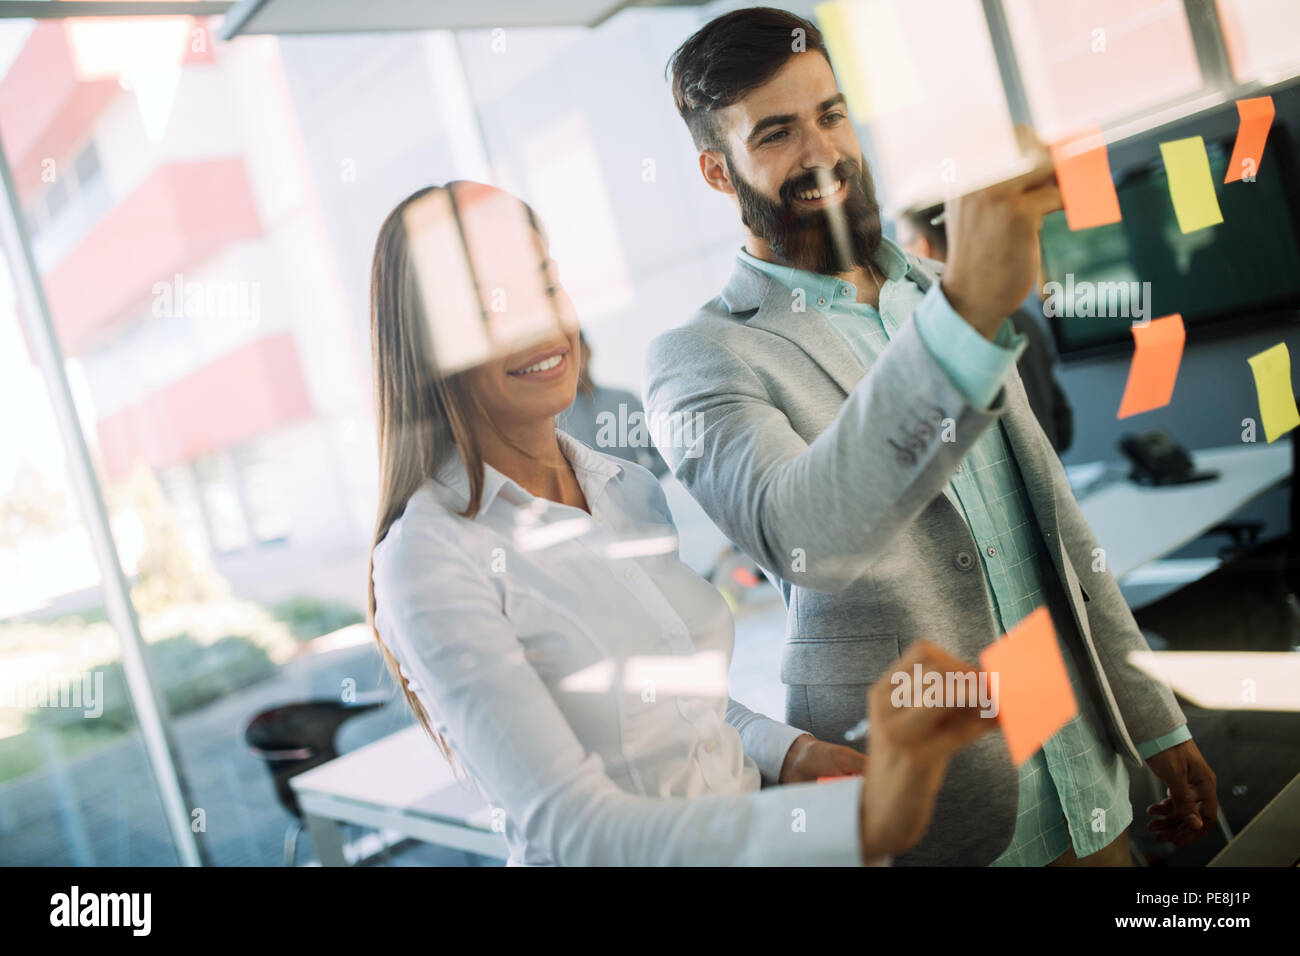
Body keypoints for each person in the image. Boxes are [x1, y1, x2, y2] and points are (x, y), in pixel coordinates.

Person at [644, 7, 1217, 866]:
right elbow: (806, 537)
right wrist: (967, 315)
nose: (822, 154)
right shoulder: (700, 357)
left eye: (831, 115)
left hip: (1078, 766)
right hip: (929, 812)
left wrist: (1150, 711)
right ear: (717, 173)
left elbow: (1054, 534)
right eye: (776, 134)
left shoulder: (940, 290)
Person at [366, 180, 995, 866]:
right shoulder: (429, 556)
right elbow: (573, 829)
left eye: (544, 285)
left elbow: (680, 712)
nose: (537, 324)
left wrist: (791, 752)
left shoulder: (625, 489)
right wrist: (849, 823)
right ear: (430, 348)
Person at [896, 205, 1074, 453]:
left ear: (921, 248)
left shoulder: (936, 337)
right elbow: (1063, 429)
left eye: (901, 246)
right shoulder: (1024, 319)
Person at [559, 330, 670, 477]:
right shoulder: (551, 418)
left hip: (636, 499)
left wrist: (639, 480)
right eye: (561, 356)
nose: (571, 362)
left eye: (574, 351)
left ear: (588, 350)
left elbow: (664, 453)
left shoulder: (626, 401)